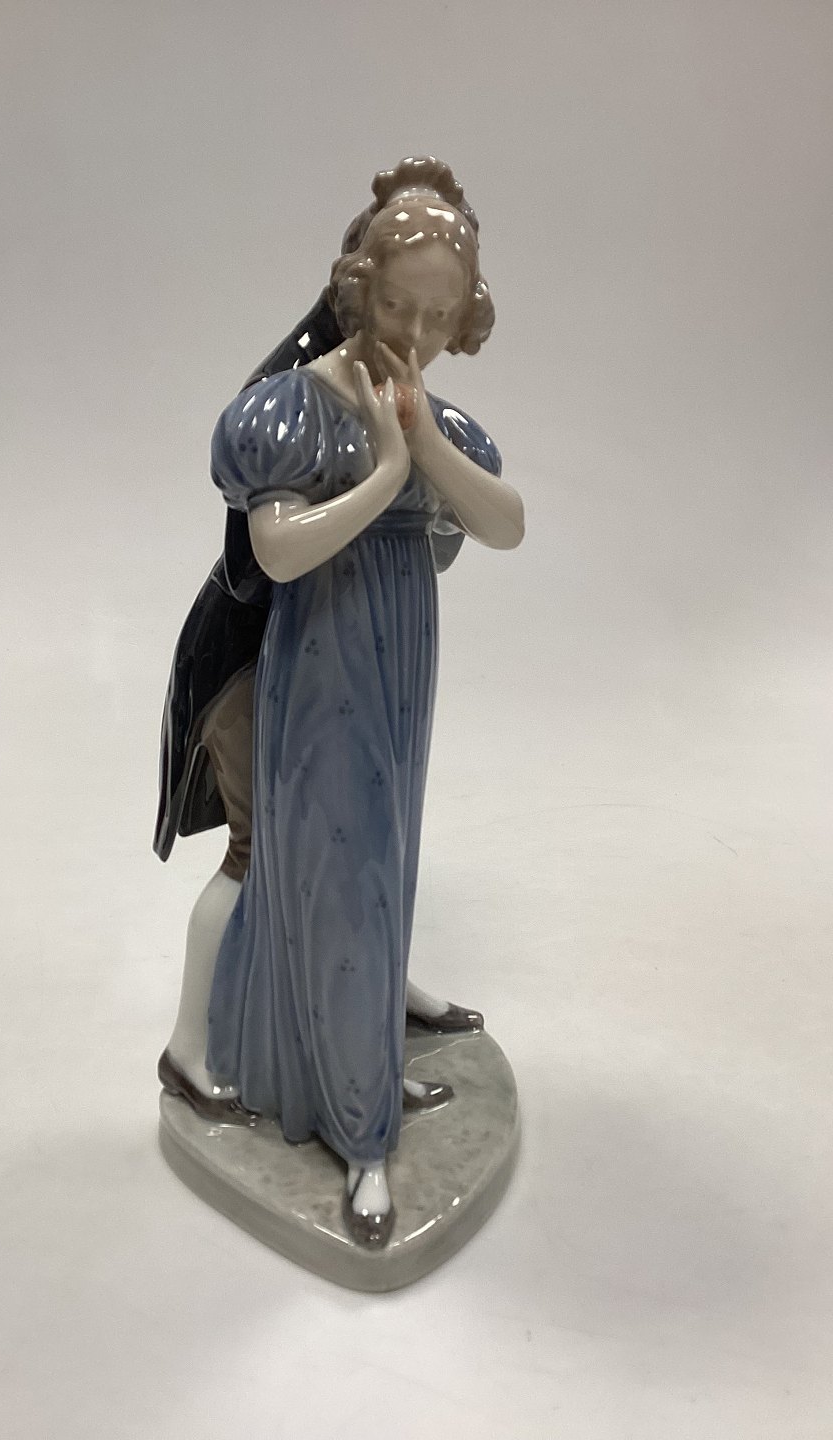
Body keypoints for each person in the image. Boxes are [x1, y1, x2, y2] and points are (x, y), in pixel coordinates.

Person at [157, 158, 524, 1247]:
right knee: (317, 862)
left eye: (440, 317)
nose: (415, 334)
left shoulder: (442, 424)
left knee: (384, 851)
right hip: (312, 660)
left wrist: (425, 445)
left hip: (402, 662)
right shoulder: (289, 412)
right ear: (360, 290)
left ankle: (362, 1043)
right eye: (399, 306)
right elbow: (277, 553)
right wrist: (386, 472)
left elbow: (504, 525)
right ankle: (356, 1126)